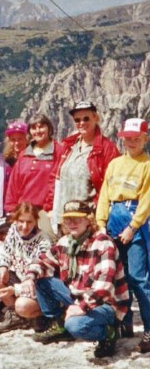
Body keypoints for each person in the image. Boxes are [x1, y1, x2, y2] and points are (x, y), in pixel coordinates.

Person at [18, 200, 129, 358]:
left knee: (76, 325)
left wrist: (81, 307)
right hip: (78, 296)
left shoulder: (103, 243)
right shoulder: (65, 242)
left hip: (105, 303)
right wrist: (29, 278)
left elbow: (104, 288)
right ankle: (59, 324)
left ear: (88, 220)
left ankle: (109, 334)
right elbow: (43, 261)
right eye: (68, 219)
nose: (72, 223)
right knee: (41, 281)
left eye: (77, 218)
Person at [95, 117, 150, 349]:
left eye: (137, 138)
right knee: (120, 278)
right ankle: (124, 323)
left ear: (145, 138)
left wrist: (133, 226)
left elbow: (147, 199)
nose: (132, 142)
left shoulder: (147, 165)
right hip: (113, 219)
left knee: (138, 277)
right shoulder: (115, 164)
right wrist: (100, 223)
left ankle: (149, 329)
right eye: (128, 138)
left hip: (134, 219)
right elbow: (105, 195)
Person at [52, 101, 119, 232]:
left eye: (86, 118)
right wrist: (53, 211)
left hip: (87, 219)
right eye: (77, 120)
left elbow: (111, 187)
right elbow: (56, 180)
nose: (82, 123)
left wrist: (100, 218)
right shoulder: (69, 146)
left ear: (95, 117)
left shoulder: (107, 148)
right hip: (64, 217)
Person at [0, 202, 52, 333]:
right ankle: (16, 317)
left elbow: (36, 272)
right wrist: (3, 266)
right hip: (20, 278)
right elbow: (4, 251)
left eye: (29, 222)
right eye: (21, 221)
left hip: (37, 285)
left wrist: (15, 289)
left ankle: (41, 315)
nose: (24, 226)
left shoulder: (43, 241)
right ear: (15, 220)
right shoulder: (13, 230)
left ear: (36, 221)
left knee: (22, 306)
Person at [4, 114, 60, 233]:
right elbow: (14, 185)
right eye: (34, 128)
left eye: (41, 127)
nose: (38, 131)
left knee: (48, 243)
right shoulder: (24, 154)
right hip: (23, 211)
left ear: (49, 128)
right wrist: (11, 209)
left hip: (45, 212)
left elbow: (58, 183)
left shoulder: (58, 151)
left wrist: (51, 209)